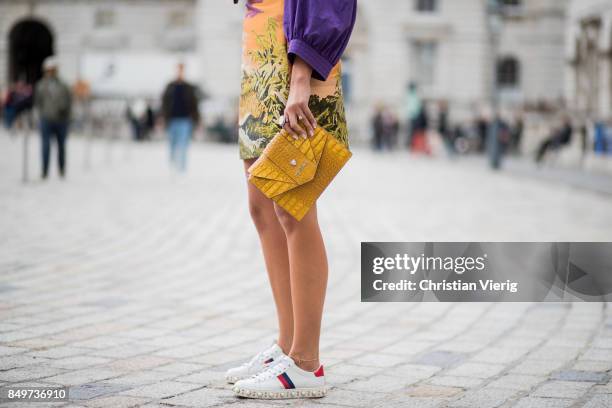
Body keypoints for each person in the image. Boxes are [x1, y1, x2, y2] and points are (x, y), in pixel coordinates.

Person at [227, 0, 356, 400]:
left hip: (296, 50)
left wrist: (302, 72)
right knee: (261, 205)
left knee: (291, 205)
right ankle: (286, 346)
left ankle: (305, 362)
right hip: (262, 40)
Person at [34, 57, 72, 179]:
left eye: (53, 70)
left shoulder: (64, 85)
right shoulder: (40, 85)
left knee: (61, 147)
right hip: (46, 119)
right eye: (49, 70)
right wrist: (41, 116)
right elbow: (38, 102)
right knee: (45, 146)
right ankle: (44, 171)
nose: (51, 72)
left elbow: (69, 101)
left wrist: (67, 116)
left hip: (61, 121)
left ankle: (61, 170)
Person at [161, 63, 200, 172]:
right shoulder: (170, 86)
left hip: (185, 120)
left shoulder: (189, 87)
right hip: (172, 119)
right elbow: (164, 103)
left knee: (183, 145)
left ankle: (182, 169)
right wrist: (163, 118)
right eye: (178, 69)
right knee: (172, 144)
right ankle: (172, 166)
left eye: (182, 69)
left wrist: (197, 120)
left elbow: (194, 104)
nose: (180, 72)